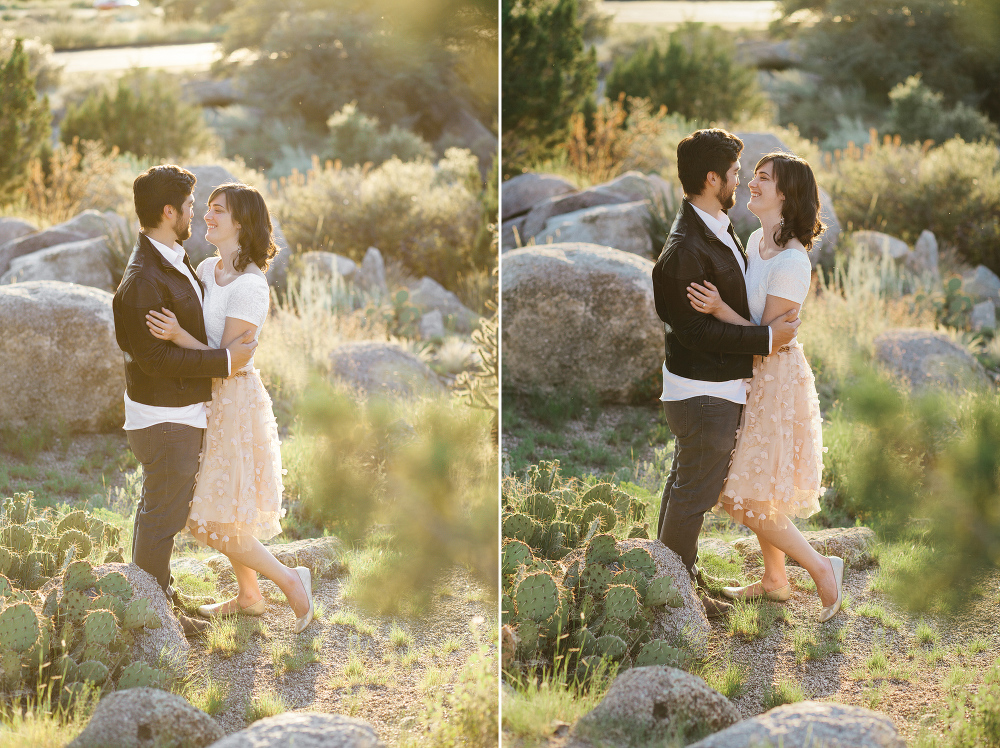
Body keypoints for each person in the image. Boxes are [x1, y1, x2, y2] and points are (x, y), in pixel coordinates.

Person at [144, 182, 314, 634]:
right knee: (225, 509)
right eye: (208, 209)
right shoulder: (206, 267)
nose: (207, 217)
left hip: (232, 400)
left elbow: (225, 361)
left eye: (217, 211)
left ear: (240, 222)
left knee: (214, 520)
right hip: (206, 397)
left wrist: (178, 336)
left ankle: (289, 579)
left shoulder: (251, 288)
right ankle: (250, 596)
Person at [684, 152, 844, 622]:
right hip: (750, 372)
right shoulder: (755, 240)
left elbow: (768, 339)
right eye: (752, 175)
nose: (751, 183)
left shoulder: (793, 262)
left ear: (786, 194)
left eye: (763, 178)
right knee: (757, 488)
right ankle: (775, 581)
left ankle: (821, 568)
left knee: (746, 495)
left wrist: (717, 311)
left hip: (774, 378)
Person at [650, 129, 801, 618]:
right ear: (712, 178)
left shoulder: (717, 224)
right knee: (694, 494)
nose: (741, 179)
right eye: (736, 172)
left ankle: (672, 578)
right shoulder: (684, 249)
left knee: (684, 486)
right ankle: (675, 601)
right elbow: (695, 333)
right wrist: (763, 340)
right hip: (702, 393)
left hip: (716, 387)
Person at [112, 165, 258, 637]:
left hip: (179, 413)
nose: (197, 213)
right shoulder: (141, 281)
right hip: (164, 419)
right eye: (191, 205)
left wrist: (218, 357)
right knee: (164, 517)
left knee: (158, 510)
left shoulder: (174, 257)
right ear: (168, 211)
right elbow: (155, 360)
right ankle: (154, 624)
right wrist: (223, 361)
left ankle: (157, 597)